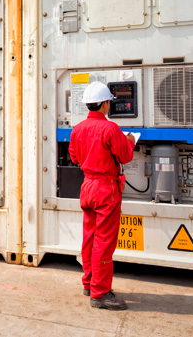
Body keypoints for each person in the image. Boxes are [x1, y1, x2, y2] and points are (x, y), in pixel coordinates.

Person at [69, 81, 136, 310]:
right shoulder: (110, 129)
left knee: (89, 237)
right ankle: (100, 293)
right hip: (106, 189)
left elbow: (75, 158)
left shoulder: (77, 129)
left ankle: (89, 283)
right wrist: (130, 140)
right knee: (104, 242)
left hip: (87, 187)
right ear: (105, 104)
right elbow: (125, 156)